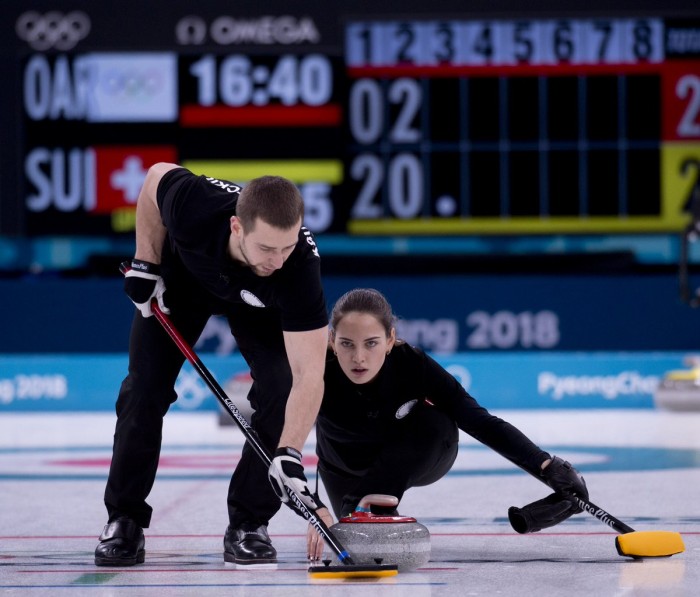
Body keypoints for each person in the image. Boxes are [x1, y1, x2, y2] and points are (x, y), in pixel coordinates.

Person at [94, 163, 329, 567]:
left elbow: (311, 374)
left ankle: (249, 523)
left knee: (281, 386)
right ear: (237, 227)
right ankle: (124, 518)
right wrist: (145, 263)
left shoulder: (297, 268)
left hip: (259, 306)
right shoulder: (196, 204)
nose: (278, 259)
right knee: (143, 389)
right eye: (267, 248)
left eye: (286, 246)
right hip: (181, 284)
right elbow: (154, 178)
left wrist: (290, 451)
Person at [307, 288, 588, 559]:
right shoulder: (313, 369)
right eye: (347, 344)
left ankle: (369, 505)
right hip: (342, 468)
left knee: (436, 420)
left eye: (371, 343)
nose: (359, 357)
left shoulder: (412, 365)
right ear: (331, 339)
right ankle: (358, 507)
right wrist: (312, 505)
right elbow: (277, 441)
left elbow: (479, 421)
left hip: (411, 457)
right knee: (356, 536)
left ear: (390, 339)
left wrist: (547, 467)